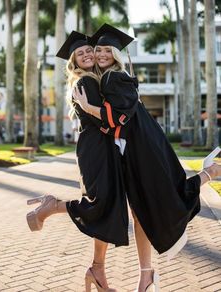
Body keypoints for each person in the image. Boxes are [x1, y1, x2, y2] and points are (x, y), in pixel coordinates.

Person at [72, 23, 221, 292]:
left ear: (116, 54)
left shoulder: (112, 78)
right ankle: (146, 276)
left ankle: (209, 173)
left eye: (108, 50)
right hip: (134, 148)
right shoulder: (108, 79)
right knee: (141, 210)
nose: (102, 54)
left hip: (141, 146)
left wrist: (86, 107)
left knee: (161, 197)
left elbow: (117, 119)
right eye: (98, 50)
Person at [26, 31, 129, 292]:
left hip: (100, 147)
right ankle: (51, 206)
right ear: (74, 60)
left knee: (107, 208)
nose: (87, 54)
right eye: (80, 53)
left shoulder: (93, 80)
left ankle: (97, 270)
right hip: (96, 149)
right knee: (99, 204)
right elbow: (102, 121)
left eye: (89, 51)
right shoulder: (86, 83)